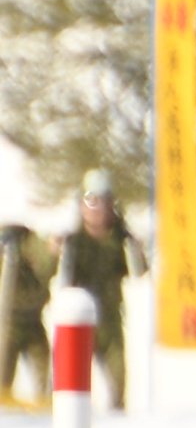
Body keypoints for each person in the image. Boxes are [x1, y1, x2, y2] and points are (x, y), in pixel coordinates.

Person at [58, 171, 145, 410]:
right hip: (78, 321)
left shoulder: (122, 240)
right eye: (89, 200)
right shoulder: (73, 242)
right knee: (71, 388)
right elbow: (61, 283)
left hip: (110, 319)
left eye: (101, 201)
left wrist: (136, 250)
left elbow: (140, 278)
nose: (95, 208)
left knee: (118, 380)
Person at [0, 218, 55, 407]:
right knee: (3, 379)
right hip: (7, 322)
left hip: (33, 319)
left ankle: (44, 412)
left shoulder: (34, 245)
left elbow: (47, 267)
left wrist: (52, 252)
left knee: (44, 378)